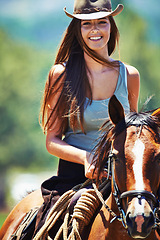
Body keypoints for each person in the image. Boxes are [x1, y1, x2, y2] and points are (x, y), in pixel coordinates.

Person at [1, 0, 140, 239]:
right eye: (87, 24)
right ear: (78, 29)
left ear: (111, 26)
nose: (95, 29)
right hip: (75, 177)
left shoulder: (130, 75)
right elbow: (52, 140)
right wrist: (86, 158)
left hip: (121, 176)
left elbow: (132, 135)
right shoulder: (61, 75)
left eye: (101, 22)